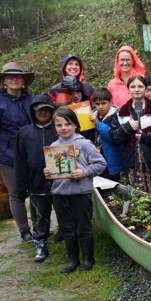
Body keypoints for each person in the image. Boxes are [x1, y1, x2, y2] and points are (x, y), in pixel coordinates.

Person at [45, 107, 106, 273]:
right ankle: (72, 260)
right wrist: (48, 173)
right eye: (59, 125)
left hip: (80, 193)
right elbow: (53, 169)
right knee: (67, 228)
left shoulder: (84, 144)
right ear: (54, 127)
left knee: (83, 227)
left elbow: (100, 164)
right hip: (59, 194)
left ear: (75, 125)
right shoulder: (53, 146)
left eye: (68, 124)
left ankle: (88, 258)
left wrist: (84, 172)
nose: (64, 128)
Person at [0, 61, 36, 242]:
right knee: (16, 194)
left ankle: (39, 227)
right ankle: (24, 230)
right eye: (10, 76)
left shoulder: (32, 100)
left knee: (37, 191)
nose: (14, 79)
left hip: (33, 155)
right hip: (8, 157)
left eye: (18, 76)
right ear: (3, 81)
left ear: (24, 80)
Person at [14, 96, 57, 262]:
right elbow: (20, 161)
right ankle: (40, 243)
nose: (43, 112)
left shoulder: (59, 129)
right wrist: (21, 186)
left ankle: (68, 239)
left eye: (47, 109)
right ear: (33, 112)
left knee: (65, 212)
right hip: (36, 182)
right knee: (39, 215)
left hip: (60, 182)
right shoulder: (24, 133)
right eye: (39, 110)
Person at [109, 74, 151, 193]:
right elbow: (114, 137)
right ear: (128, 90)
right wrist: (127, 127)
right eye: (133, 86)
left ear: (145, 89)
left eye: (140, 86)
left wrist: (146, 136)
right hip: (131, 160)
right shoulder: (120, 113)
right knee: (138, 195)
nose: (136, 89)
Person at [90, 88, 124, 182]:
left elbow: (112, 136)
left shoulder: (117, 115)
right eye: (97, 104)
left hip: (113, 158)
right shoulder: (91, 116)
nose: (101, 107)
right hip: (97, 157)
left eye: (104, 103)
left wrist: (97, 123)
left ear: (110, 102)